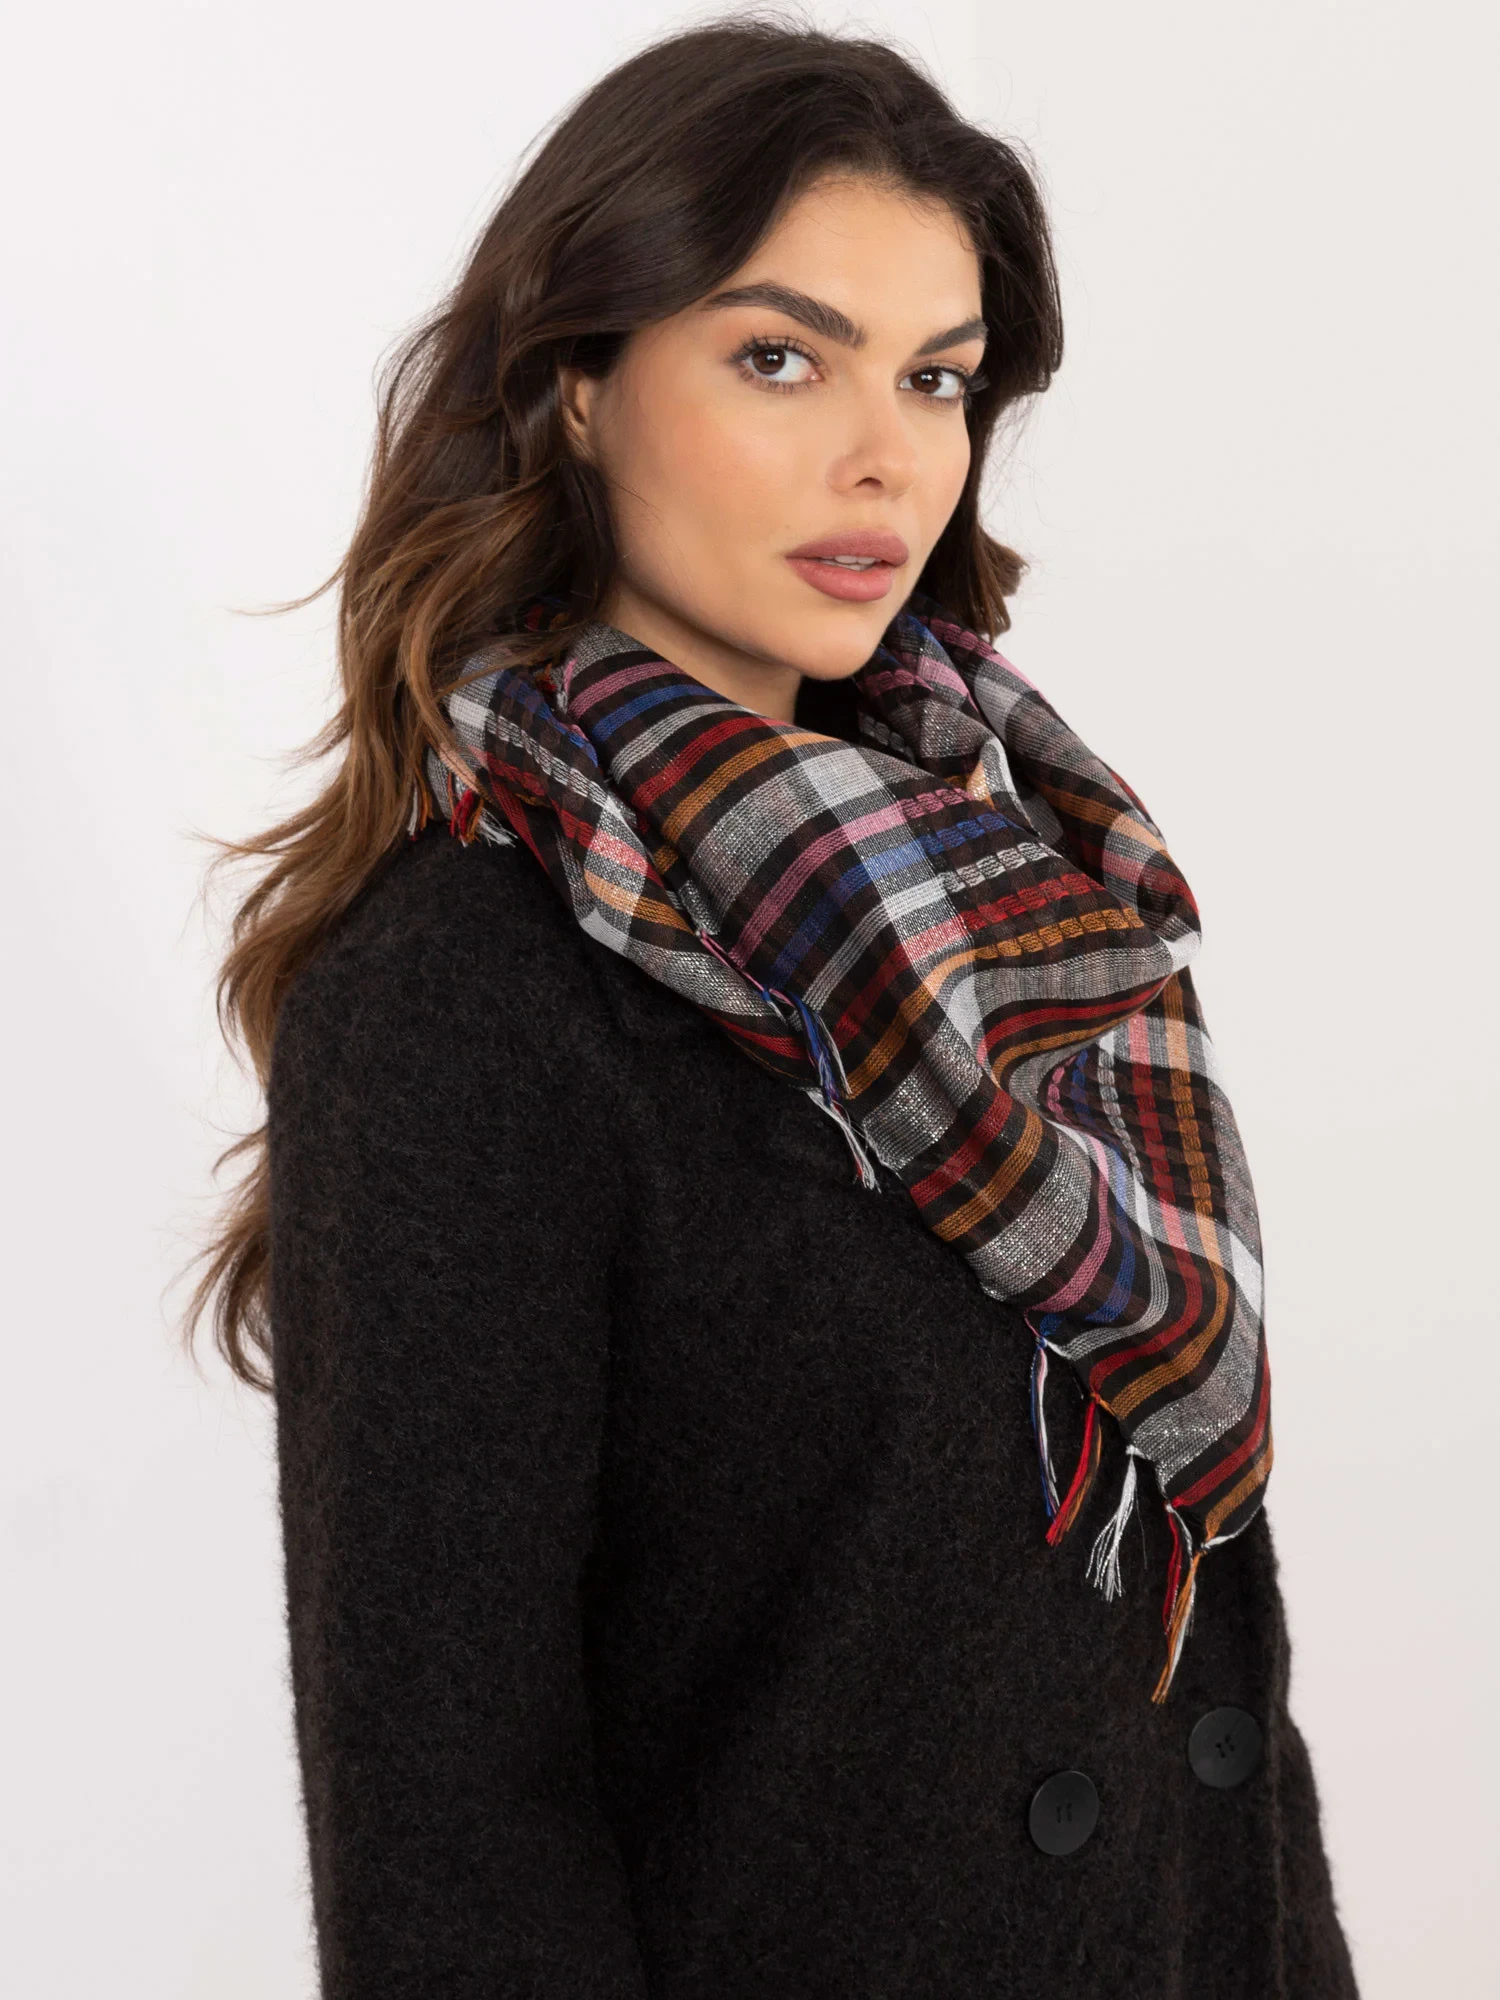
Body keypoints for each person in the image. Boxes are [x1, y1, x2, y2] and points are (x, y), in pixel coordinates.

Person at [186, 16, 1360, 1997]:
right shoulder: (460, 989)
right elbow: (451, 1830)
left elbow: (1198, 1660)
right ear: (577, 385)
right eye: (781, 358)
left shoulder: (1033, 905)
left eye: (938, 378)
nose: (888, 454)